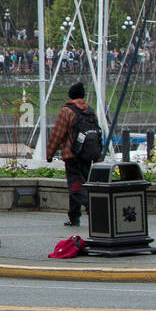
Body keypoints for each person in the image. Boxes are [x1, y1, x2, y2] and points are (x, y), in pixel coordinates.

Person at [47, 81, 102, 227]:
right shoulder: (91, 111)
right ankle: (73, 217)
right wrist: (98, 155)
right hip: (88, 154)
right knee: (81, 183)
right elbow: (97, 133)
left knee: (76, 187)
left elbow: (57, 135)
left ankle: (95, 210)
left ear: (71, 96)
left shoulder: (67, 111)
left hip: (72, 154)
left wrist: (49, 154)